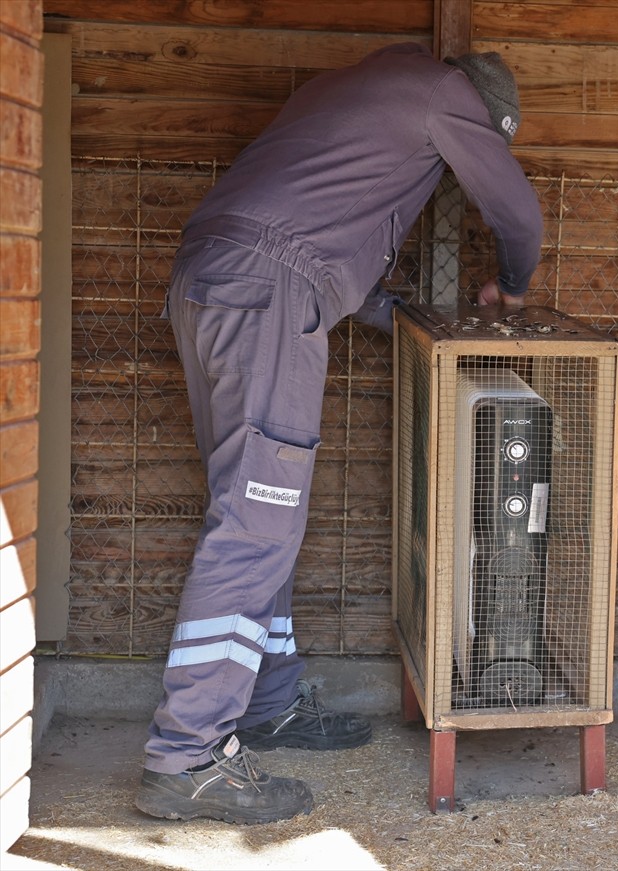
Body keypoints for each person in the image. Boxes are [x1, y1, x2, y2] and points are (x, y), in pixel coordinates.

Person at [134, 44, 543, 825]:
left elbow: (306, 235)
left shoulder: (355, 90)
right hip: (266, 296)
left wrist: (400, 312)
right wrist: (511, 290)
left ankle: (267, 699)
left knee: (259, 514)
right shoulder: (445, 94)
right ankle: (184, 752)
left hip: (214, 281)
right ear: (485, 117)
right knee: (256, 521)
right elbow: (517, 213)